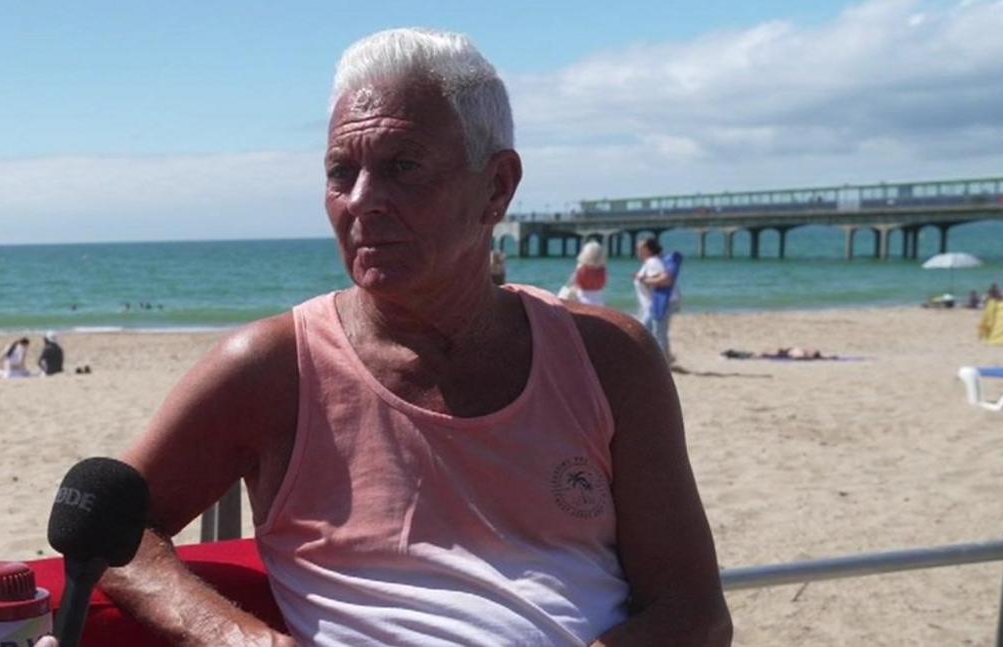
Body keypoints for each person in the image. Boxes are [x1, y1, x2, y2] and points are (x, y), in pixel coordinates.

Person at [97, 28, 730, 646]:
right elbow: (107, 529)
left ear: (497, 188)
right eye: (341, 172)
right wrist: (237, 638)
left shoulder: (608, 359)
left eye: (404, 167)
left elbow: (693, 612)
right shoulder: (274, 369)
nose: (363, 201)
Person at [634, 239, 679, 361]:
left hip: (659, 303)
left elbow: (665, 281)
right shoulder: (652, 262)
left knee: (651, 332)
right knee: (650, 331)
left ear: (647, 250)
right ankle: (666, 359)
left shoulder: (652, 262)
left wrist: (643, 280)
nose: (637, 251)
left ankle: (662, 362)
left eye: (639, 248)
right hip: (657, 303)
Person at [564, 240, 608, 305]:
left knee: (567, 292)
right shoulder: (602, 270)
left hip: (582, 301)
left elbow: (574, 282)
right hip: (599, 302)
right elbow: (603, 285)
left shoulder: (582, 268)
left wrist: (577, 269)